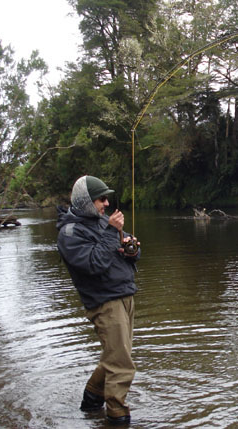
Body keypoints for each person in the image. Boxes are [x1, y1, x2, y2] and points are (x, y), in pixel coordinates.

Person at [56, 175, 140, 426]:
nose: (106, 203)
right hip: (104, 303)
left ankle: (92, 399)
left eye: (106, 198)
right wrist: (111, 232)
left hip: (125, 296)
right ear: (86, 201)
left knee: (116, 356)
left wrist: (132, 249)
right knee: (121, 363)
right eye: (101, 199)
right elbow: (93, 265)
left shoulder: (102, 221)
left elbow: (124, 252)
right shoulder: (70, 232)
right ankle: (117, 416)